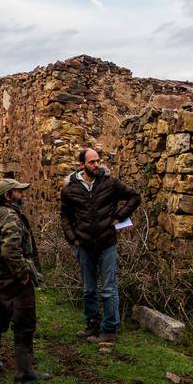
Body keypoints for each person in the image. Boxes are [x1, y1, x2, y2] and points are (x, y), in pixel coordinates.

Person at [58, 145, 141, 343]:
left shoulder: (109, 182)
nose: (97, 165)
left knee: (109, 288)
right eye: (92, 162)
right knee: (88, 289)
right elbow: (65, 216)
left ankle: (109, 330)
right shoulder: (70, 189)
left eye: (98, 160)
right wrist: (73, 239)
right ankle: (92, 325)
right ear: (81, 165)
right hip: (84, 245)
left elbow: (134, 196)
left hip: (107, 243)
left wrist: (120, 216)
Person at [0, 178, 49, 382]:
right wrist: (23, 275)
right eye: (18, 192)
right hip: (14, 280)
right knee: (25, 323)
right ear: (8, 196)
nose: (23, 195)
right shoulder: (11, 217)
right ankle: (25, 371)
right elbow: (10, 251)